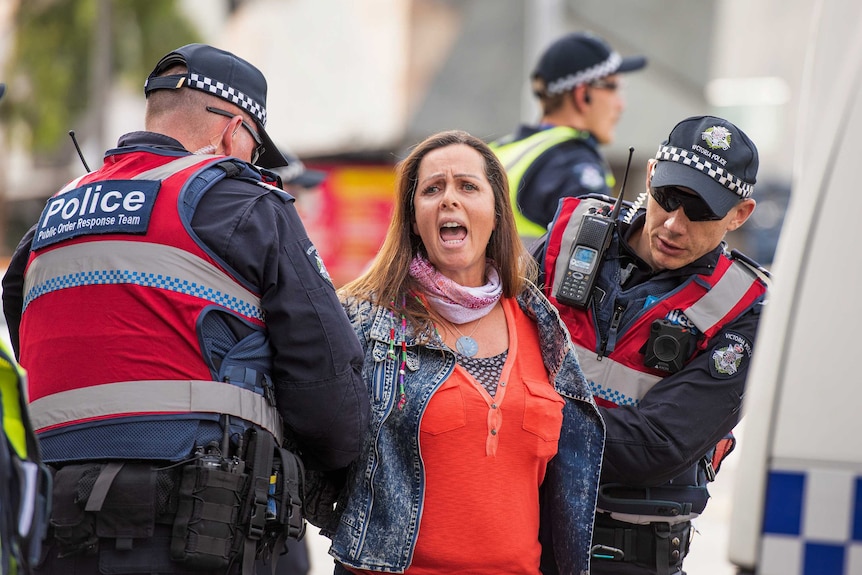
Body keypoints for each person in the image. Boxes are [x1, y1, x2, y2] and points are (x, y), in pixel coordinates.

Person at [1, 44, 369, 575]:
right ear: (232, 131)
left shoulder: (48, 223)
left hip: (56, 528)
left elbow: (27, 333)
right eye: (254, 147)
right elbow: (327, 380)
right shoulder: (247, 204)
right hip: (194, 532)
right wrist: (340, 463)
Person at [303, 129, 605, 575]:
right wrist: (353, 530)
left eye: (467, 186)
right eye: (432, 189)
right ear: (412, 217)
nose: (449, 199)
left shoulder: (543, 326)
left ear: (497, 212)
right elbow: (309, 447)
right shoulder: (360, 321)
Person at [534, 115, 770, 575]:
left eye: (701, 210)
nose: (675, 224)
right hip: (518, 528)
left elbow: (656, 445)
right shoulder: (570, 235)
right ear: (650, 173)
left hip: (626, 556)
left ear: (740, 214)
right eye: (668, 198)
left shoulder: (744, 309)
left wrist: (516, 422)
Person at [490, 31, 646, 245]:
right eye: (614, 88)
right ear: (583, 95)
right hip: (528, 279)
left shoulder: (502, 149)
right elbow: (589, 260)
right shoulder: (573, 165)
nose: (621, 105)